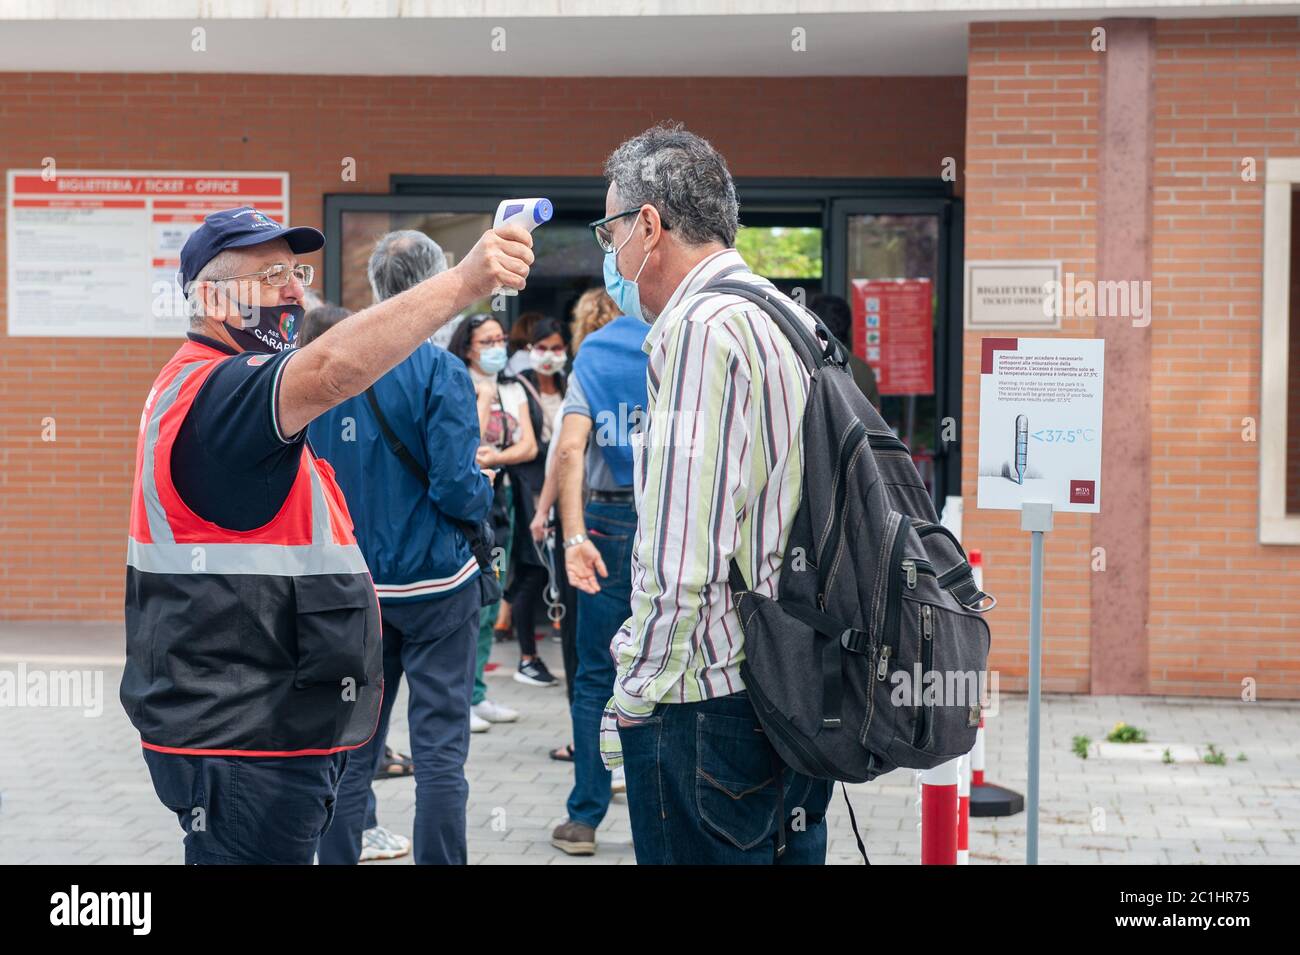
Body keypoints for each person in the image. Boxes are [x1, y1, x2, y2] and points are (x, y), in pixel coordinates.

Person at [121, 205, 532, 864]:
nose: (295, 290)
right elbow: (332, 367)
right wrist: (462, 282)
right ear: (213, 297)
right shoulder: (220, 390)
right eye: (271, 275)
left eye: (297, 271)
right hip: (244, 738)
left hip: (244, 725)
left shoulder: (208, 385)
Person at [592, 124, 836, 864]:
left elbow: (679, 550)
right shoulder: (787, 316)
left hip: (707, 697)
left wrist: (634, 693)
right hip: (797, 681)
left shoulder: (696, 329)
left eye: (610, 231)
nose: (610, 255)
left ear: (648, 225)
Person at [305, 230, 495, 866]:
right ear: (439, 281)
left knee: (353, 745)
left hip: (355, 587)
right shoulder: (441, 370)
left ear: (379, 288)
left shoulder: (332, 360)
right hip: (438, 584)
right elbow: (455, 484)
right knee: (440, 748)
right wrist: (481, 499)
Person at [549, 294, 649, 856]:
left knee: (595, 673)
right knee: (667, 671)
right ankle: (658, 812)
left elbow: (569, 450)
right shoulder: (690, 333)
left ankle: (584, 816)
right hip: (674, 516)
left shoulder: (596, 351)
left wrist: (574, 535)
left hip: (607, 517)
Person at [530, 288, 621, 763]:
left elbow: (567, 454)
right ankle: (632, 754)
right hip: (656, 514)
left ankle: (589, 794)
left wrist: (561, 524)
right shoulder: (665, 346)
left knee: (590, 662)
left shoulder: (591, 363)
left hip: (596, 517)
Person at [447, 313, 536, 729]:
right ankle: (460, 697)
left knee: (491, 593)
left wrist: (496, 457)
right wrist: (482, 401)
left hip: (503, 502)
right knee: (469, 601)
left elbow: (528, 445)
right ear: (468, 347)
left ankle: (477, 692)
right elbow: (467, 444)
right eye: (487, 340)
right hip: (469, 503)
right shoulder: (454, 381)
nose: (497, 346)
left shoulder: (514, 387)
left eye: (501, 338)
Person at [501, 317, 568, 689]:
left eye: (557, 349)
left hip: (566, 489)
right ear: (530, 350)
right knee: (532, 568)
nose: (549, 356)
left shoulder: (568, 383)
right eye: (542, 348)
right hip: (530, 487)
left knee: (554, 566)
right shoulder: (518, 388)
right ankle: (527, 657)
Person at [808, 291, 881, 409]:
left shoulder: (804, 365)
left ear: (813, 322)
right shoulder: (863, 370)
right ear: (848, 325)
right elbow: (875, 423)